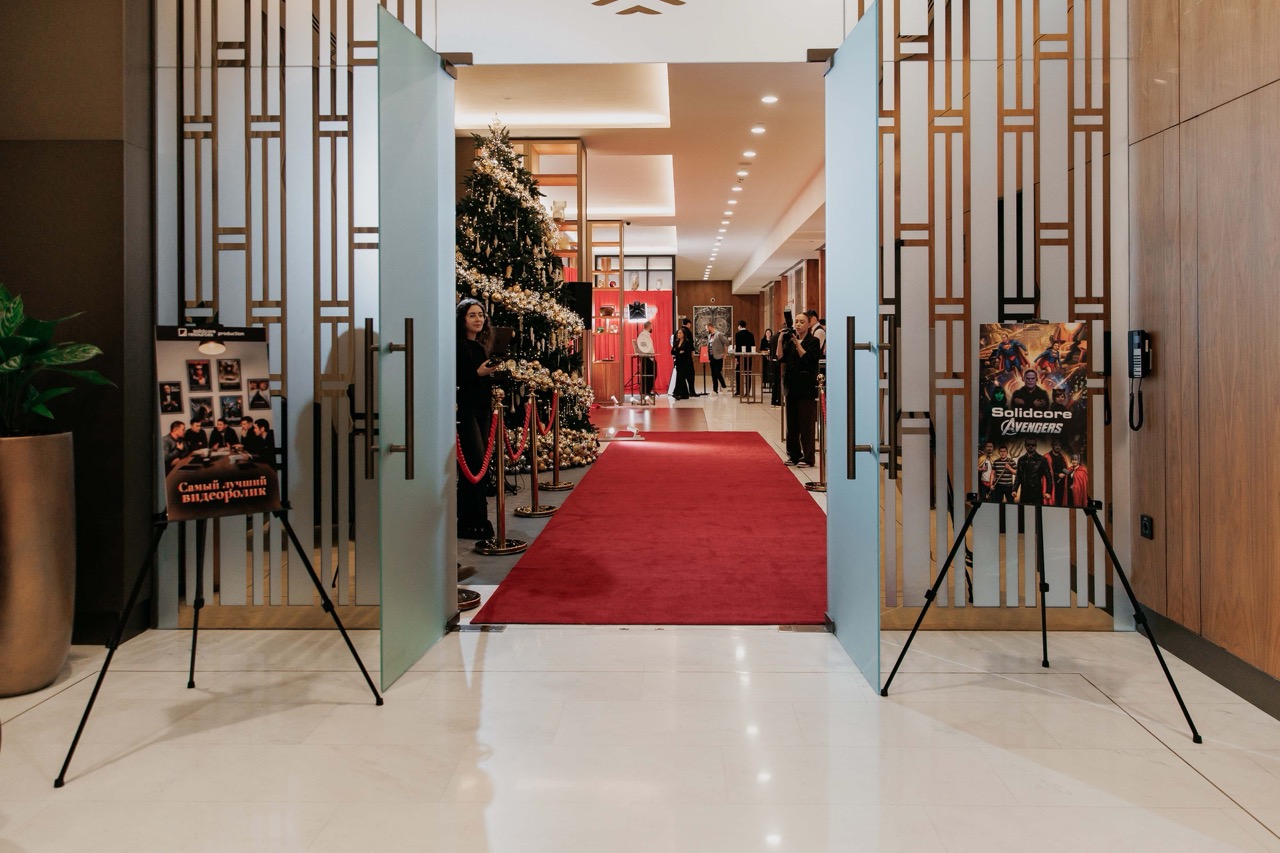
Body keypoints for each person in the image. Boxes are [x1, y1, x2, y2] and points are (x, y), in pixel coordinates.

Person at [456, 298, 500, 540]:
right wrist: (479, 372)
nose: (478, 319)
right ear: (462, 319)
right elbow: (459, 379)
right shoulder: (458, 346)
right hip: (466, 410)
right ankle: (470, 520)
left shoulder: (479, 346)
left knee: (480, 464)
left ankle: (478, 518)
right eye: (472, 315)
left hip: (482, 409)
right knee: (473, 463)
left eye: (481, 315)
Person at [780, 313, 821, 467]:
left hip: (806, 388)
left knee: (806, 424)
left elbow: (808, 358)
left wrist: (797, 342)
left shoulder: (813, 341)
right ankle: (793, 455)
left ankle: (808, 457)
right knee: (792, 425)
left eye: (801, 322)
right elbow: (781, 358)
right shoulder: (790, 342)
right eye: (796, 322)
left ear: (809, 324)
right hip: (791, 387)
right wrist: (780, 340)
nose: (798, 324)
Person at [1014, 439, 1052, 505]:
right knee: (1023, 510)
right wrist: (1014, 489)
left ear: (1036, 446)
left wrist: (1048, 492)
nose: (1030, 446)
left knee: (1037, 510)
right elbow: (1018, 476)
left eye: (1033, 445)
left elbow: (1048, 476)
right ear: (1025, 446)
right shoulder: (1021, 460)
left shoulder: (1042, 460)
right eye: (1028, 445)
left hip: (1036, 492)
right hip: (1024, 492)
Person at [634, 320, 656, 402]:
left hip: (647, 357)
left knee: (647, 375)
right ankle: (646, 392)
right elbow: (645, 348)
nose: (652, 327)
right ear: (649, 326)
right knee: (649, 375)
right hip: (647, 357)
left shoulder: (644, 335)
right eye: (651, 326)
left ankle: (646, 391)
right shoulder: (644, 335)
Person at [671, 326, 694, 400]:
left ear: (684, 334)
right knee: (680, 378)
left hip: (685, 363)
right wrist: (679, 352)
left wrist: (677, 351)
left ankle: (676, 393)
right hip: (678, 362)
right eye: (678, 333)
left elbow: (686, 353)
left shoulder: (687, 342)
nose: (679, 334)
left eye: (680, 333)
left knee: (680, 378)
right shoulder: (676, 342)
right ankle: (685, 394)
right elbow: (672, 352)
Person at [1044, 439, 1070, 506]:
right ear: (1052, 445)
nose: (1058, 447)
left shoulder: (1063, 457)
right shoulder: (1047, 457)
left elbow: (1064, 469)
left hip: (1061, 485)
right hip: (1051, 484)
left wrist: (1068, 472)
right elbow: (1046, 472)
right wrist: (1057, 475)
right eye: (1056, 445)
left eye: (1059, 445)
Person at [733, 320, 755, 395]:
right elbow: (753, 345)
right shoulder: (750, 334)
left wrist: (736, 357)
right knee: (748, 373)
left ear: (739, 326)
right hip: (748, 356)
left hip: (740, 357)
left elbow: (737, 347)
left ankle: (738, 390)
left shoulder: (738, 334)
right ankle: (748, 392)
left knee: (738, 372)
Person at [706, 323, 728, 393]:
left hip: (719, 356)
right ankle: (715, 390)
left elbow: (726, 342)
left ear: (710, 327)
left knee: (717, 372)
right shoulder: (709, 336)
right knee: (713, 374)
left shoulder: (719, 334)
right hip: (711, 356)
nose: (706, 330)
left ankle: (724, 386)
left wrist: (725, 353)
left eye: (707, 328)